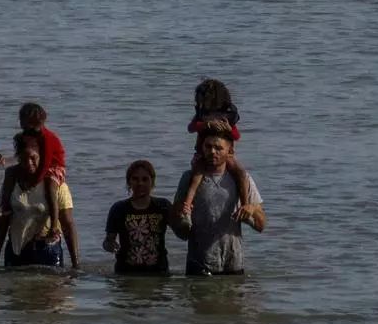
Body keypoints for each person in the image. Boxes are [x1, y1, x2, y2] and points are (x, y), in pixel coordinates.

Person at [172, 120, 266, 275]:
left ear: (230, 151)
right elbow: (180, 233)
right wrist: (181, 220)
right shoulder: (188, 178)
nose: (213, 152)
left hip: (233, 264)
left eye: (218, 148)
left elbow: (261, 226)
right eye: (208, 147)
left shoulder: (242, 179)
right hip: (198, 265)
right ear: (201, 148)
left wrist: (251, 211)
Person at [0, 130, 80, 268]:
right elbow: (2, 224)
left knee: (50, 288)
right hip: (16, 251)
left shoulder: (56, 184)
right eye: (23, 159)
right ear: (18, 158)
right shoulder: (12, 184)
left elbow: (68, 225)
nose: (29, 163)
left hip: (47, 251)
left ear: (42, 157)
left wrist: (76, 265)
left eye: (33, 158)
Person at [179, 78, 251, 216]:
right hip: (202, 154)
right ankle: (187, 205)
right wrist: (205, 124)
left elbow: (236, 136)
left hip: (225, 156)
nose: (200, 103)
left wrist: (229, 129)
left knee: (241, 173)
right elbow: (190, 128)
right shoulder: (202, 117)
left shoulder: (227, 116)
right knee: (196, 174)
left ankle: (245, 206)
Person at [104, 160, 173, 274]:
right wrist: (110, 245)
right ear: (129, 182)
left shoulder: (163, 206)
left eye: (145, 179)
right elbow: (108, 240)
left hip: (159, 273)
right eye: (135, 179)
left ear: (152, 182)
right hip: (126, 273)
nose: (140, 183)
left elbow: (181, 232)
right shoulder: (119, 209)